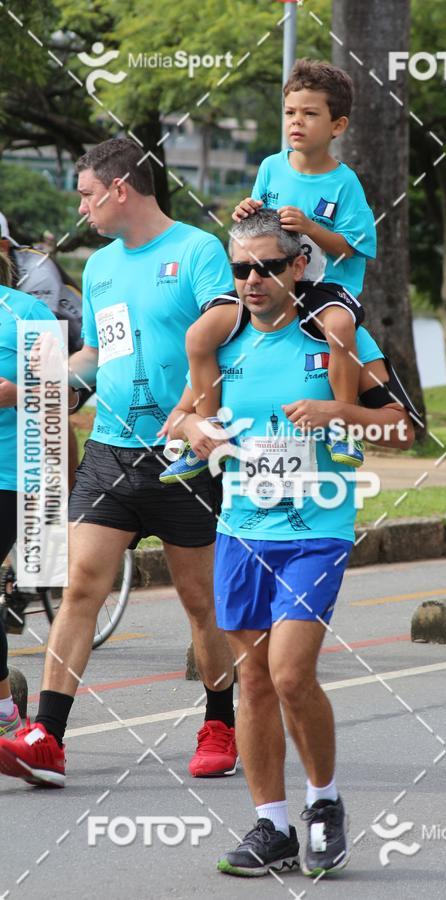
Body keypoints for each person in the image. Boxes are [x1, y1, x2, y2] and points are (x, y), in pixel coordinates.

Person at [171, 209, 414, 877]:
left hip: (317, 531)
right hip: (242, 532)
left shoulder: (333, 334)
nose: (252, 280)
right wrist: (194, 430)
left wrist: (342, 413)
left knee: (290, 673)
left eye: (267, 267)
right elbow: (191, 414)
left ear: (297, 268)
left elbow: (402, 427)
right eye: (241, 269)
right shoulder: (223, 340)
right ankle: (271, 825)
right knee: (252, 680)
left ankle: (324, 805)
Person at [0, 138, 237, 787]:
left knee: (198, 601)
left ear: (119, 190)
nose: (80, 205)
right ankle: (47, 735)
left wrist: (196, 407)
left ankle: (220, 719)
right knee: (80, 588)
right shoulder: (100, 269)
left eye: (85, 193)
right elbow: (98, 357)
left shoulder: (196, 251)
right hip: (110, 450)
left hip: (183, 456)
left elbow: (227, 319)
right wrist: (45, 379)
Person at [161, 58, 376, 485]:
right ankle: (207, 435)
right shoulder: (270, 167)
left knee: (339, 330)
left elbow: (354, 247)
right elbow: (253, 224)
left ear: (338, 125)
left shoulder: (344, 182)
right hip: (266, 285)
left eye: (310, 114)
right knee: (200, 335)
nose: (297, 122)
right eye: (291, 113)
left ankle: (342, 427)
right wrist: (245, 209)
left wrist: (314, 229)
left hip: (322, 288)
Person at [0, 251, 57, 737]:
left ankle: (4, 713)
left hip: (10, 471)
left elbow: (65, 389)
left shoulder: (26, 312)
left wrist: (17, 393)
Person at [0, 212, 87, 489]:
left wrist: (21, 393)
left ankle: (67, 497)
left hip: (76, 338)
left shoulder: (35, 276)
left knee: (56, 413)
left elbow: (59, 398)